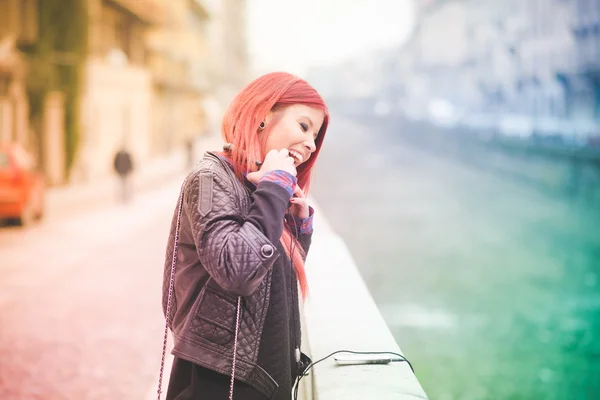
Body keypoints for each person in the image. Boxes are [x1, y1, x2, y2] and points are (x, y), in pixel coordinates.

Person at [160, 72, 329, 400]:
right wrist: (274, 190)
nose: (311, 144)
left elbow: (271, 282)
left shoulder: (256, 184)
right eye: (304, 126)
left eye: (316, 136)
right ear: (263, 116)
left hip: (260, 378)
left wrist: (297, 226)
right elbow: (237, 272)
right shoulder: (211, 179)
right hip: (222, 382)